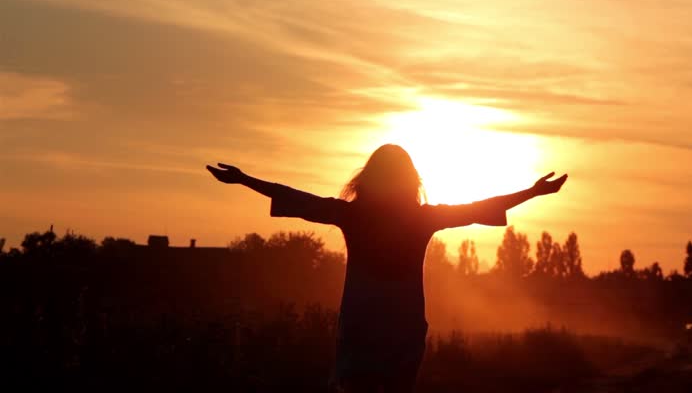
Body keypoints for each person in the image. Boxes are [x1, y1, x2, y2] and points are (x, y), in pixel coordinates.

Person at [207, 144, 567, 392]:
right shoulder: (423, 218)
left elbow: (298, 199)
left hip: (361, 321)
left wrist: (244, 179)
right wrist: (532, 193)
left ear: (369, 178)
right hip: (403, 323)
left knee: (355, 392)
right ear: (410, 180)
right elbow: (478, 208)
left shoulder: (350, 214)